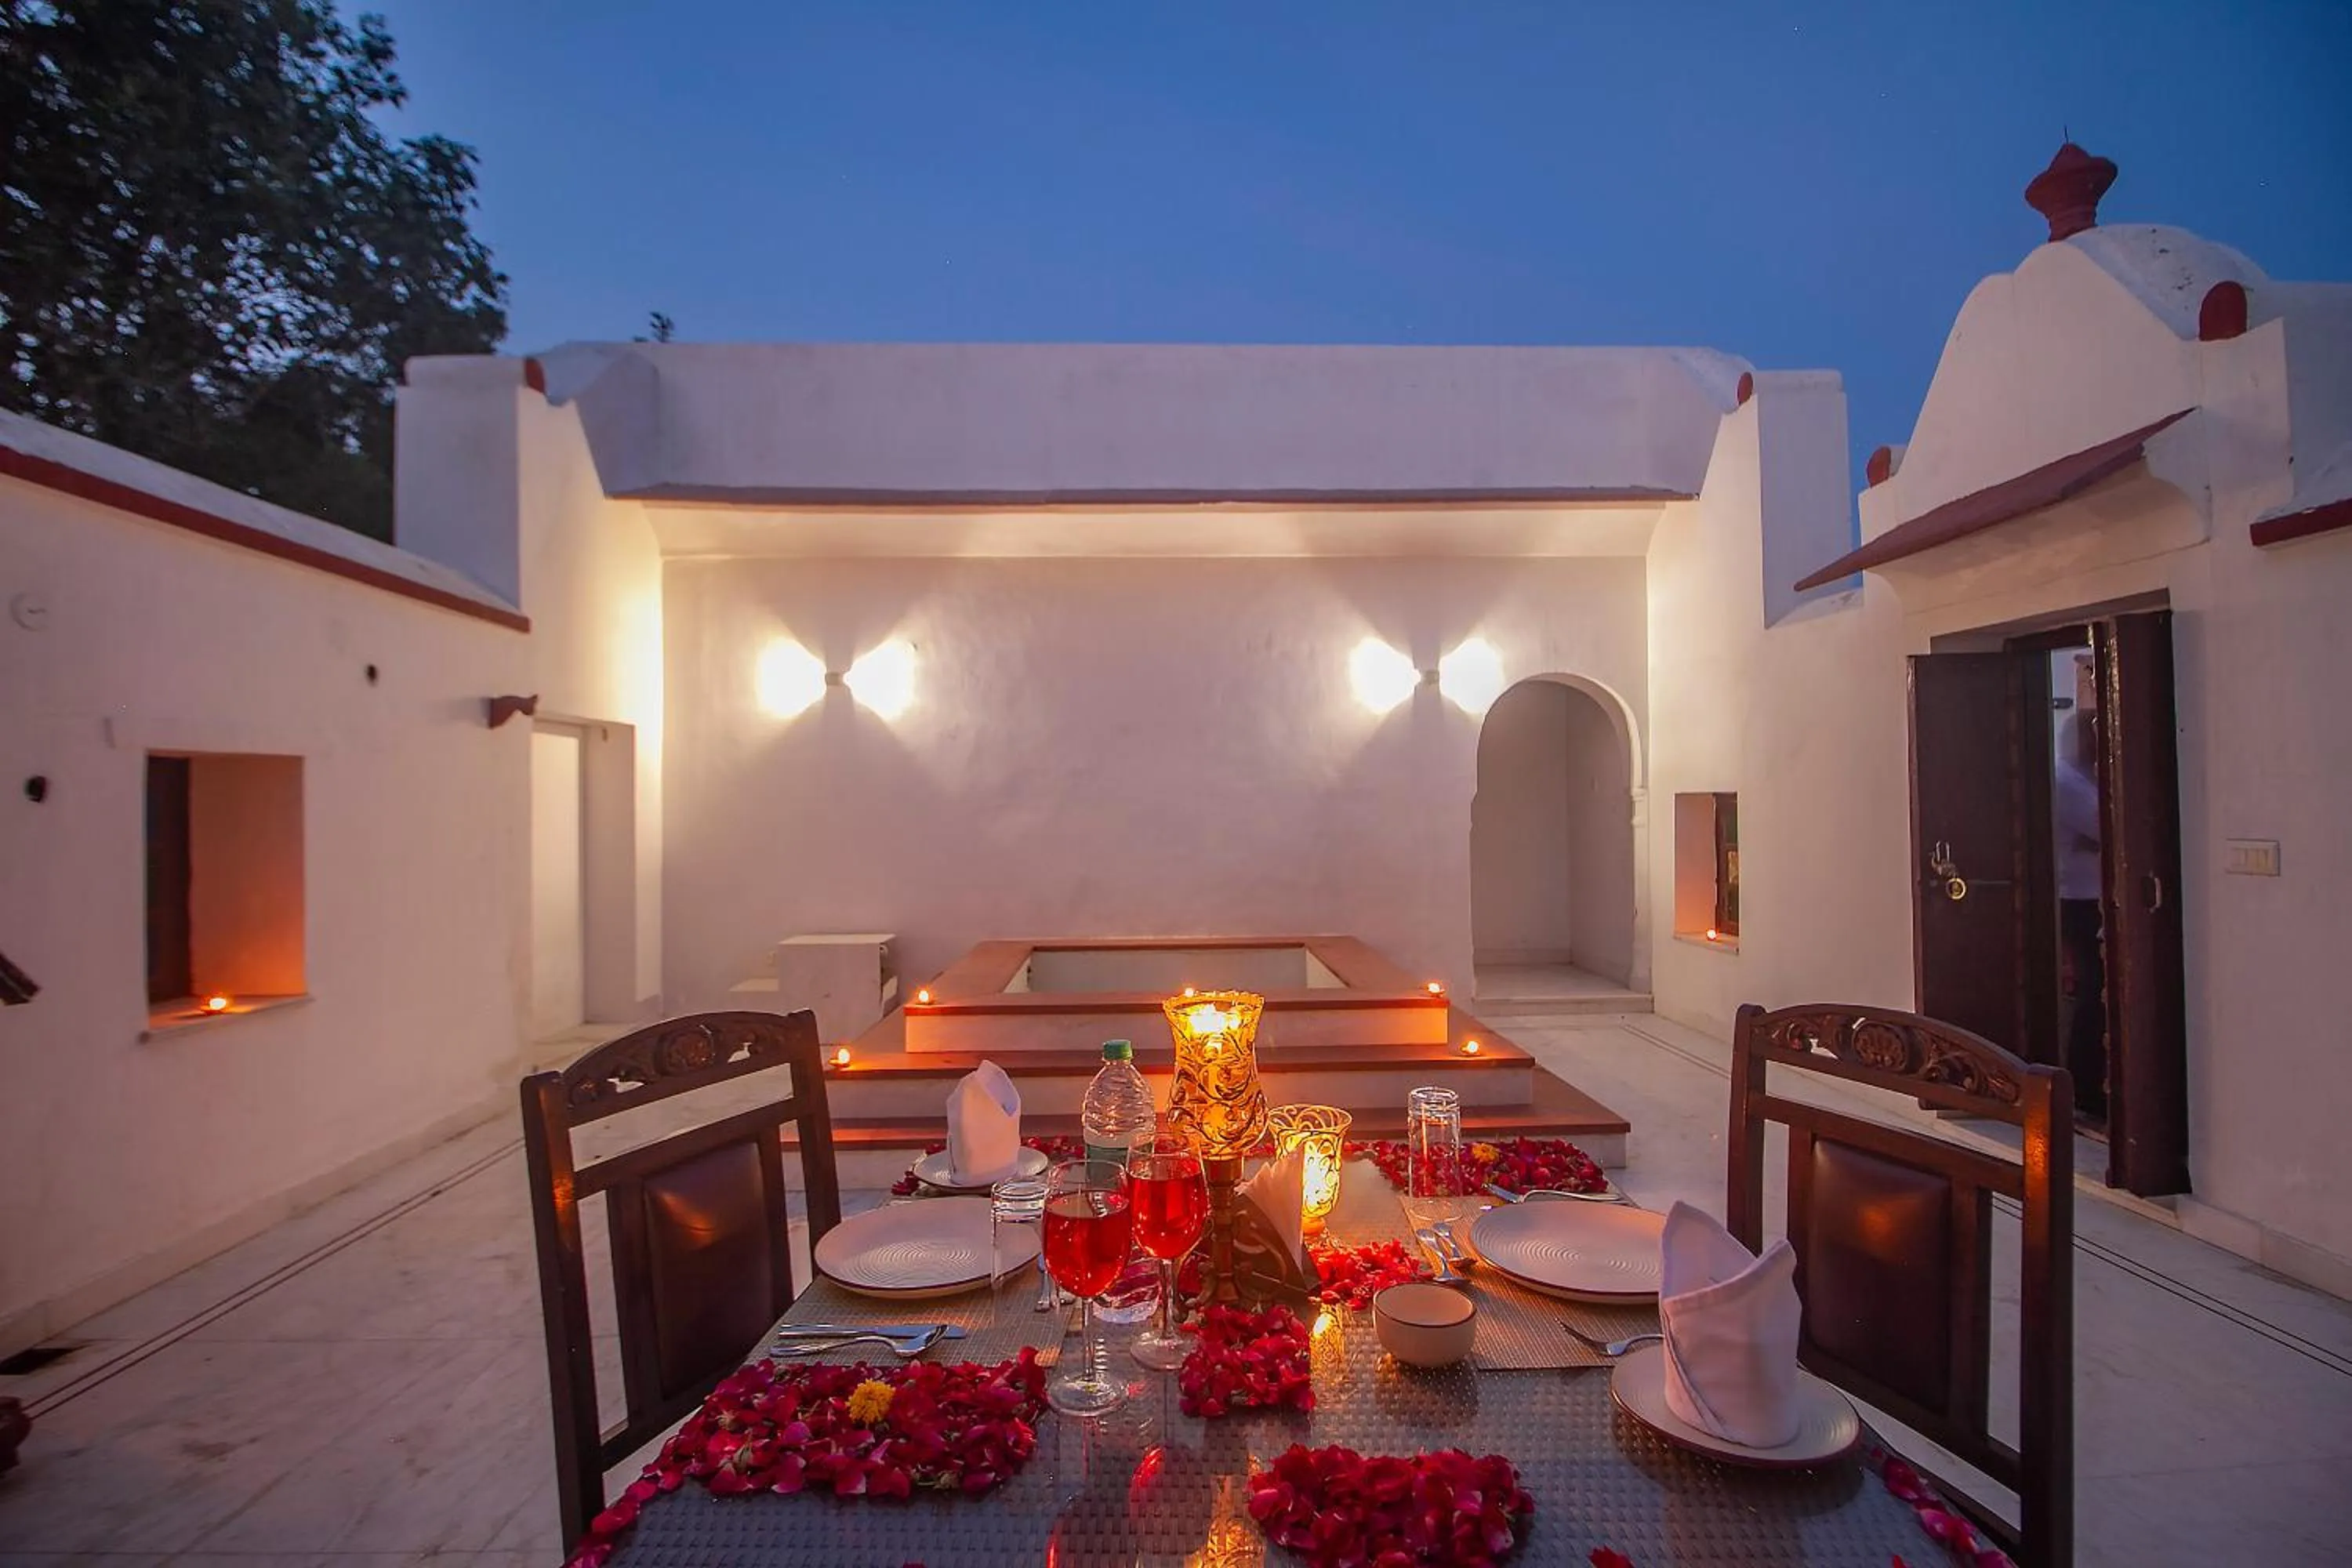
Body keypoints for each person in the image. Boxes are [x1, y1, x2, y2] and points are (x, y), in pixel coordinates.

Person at [2054, 711, 2107, 1120]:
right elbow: (2108, 826)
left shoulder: (2085, 777)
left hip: (2094, 897)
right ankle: (2084, 1088)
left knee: (2099, 990)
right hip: (2078, 900)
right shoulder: (2067, 781)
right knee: (2093, 989)